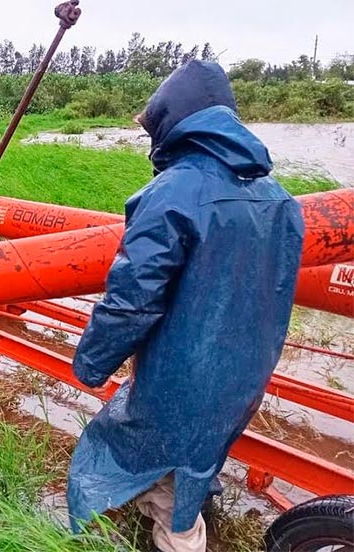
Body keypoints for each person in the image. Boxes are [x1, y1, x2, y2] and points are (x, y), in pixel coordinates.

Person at [66, 61, 304, 551]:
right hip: (245, 374)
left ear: (173, 122)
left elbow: (132, 299)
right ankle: (183, 511)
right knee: (198, 456)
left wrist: (91, 362)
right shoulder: (281, 199)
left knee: (138, 456)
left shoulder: (172, 193)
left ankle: (179, 535)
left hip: (183, 374)